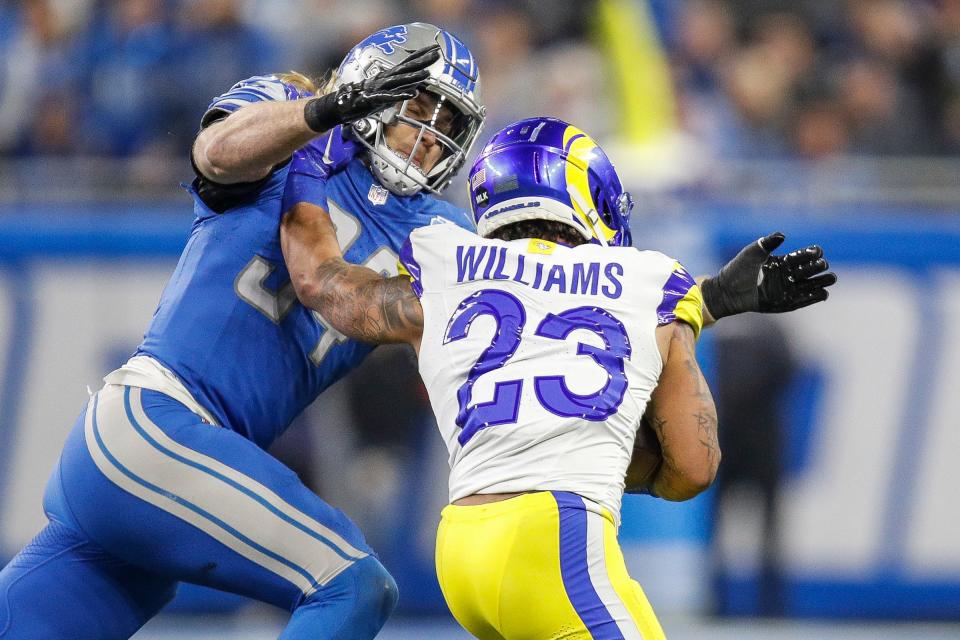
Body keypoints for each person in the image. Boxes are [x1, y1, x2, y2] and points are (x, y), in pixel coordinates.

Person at [0, 22, 486, 640]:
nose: (429, 139)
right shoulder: (293, 123)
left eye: (447, 124)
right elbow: (216, 153)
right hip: (155, 423)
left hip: (163, 464)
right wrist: (321, 111)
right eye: (417, 110)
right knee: (352, 584)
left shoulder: (442, 234)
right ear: (374, 90)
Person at [283, 116, 837, 639]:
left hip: (461, 546)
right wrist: (697, 310)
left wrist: (302, 172)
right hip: (555, 537)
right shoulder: (651, 284)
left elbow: (324, 287)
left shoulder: (444, 263)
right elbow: (694, 467)